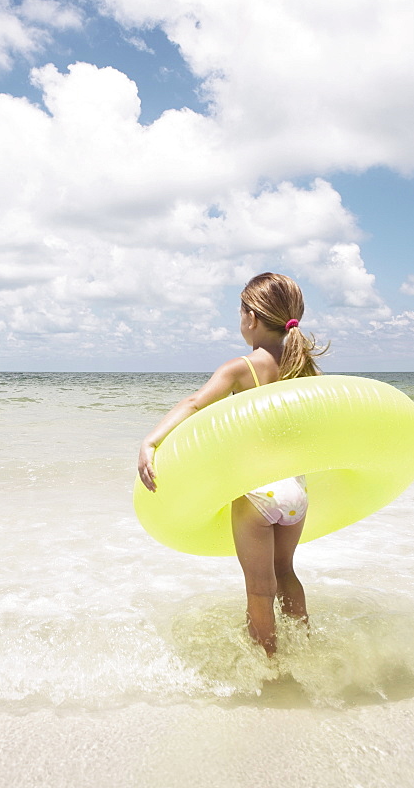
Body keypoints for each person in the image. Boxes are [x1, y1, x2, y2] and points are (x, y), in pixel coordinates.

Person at [137, 272, 327, 656]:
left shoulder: (241, 367)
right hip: (296, 492)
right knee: (286, 573)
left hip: (258, 493)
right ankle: (306, 651)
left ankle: (269, 668)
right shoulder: (301, 366)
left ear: (251, 317)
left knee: (259, 588)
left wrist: (151, 441)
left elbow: (194, 404)